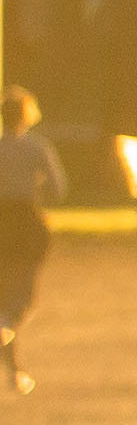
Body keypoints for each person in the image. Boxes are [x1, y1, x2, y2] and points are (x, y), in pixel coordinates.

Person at [0, 88, 56, 394]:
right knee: (19, 301)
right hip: (24, 224)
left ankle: (15, 371)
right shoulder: (36, 147)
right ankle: (13, 363)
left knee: (2, 300)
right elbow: (58, 187)